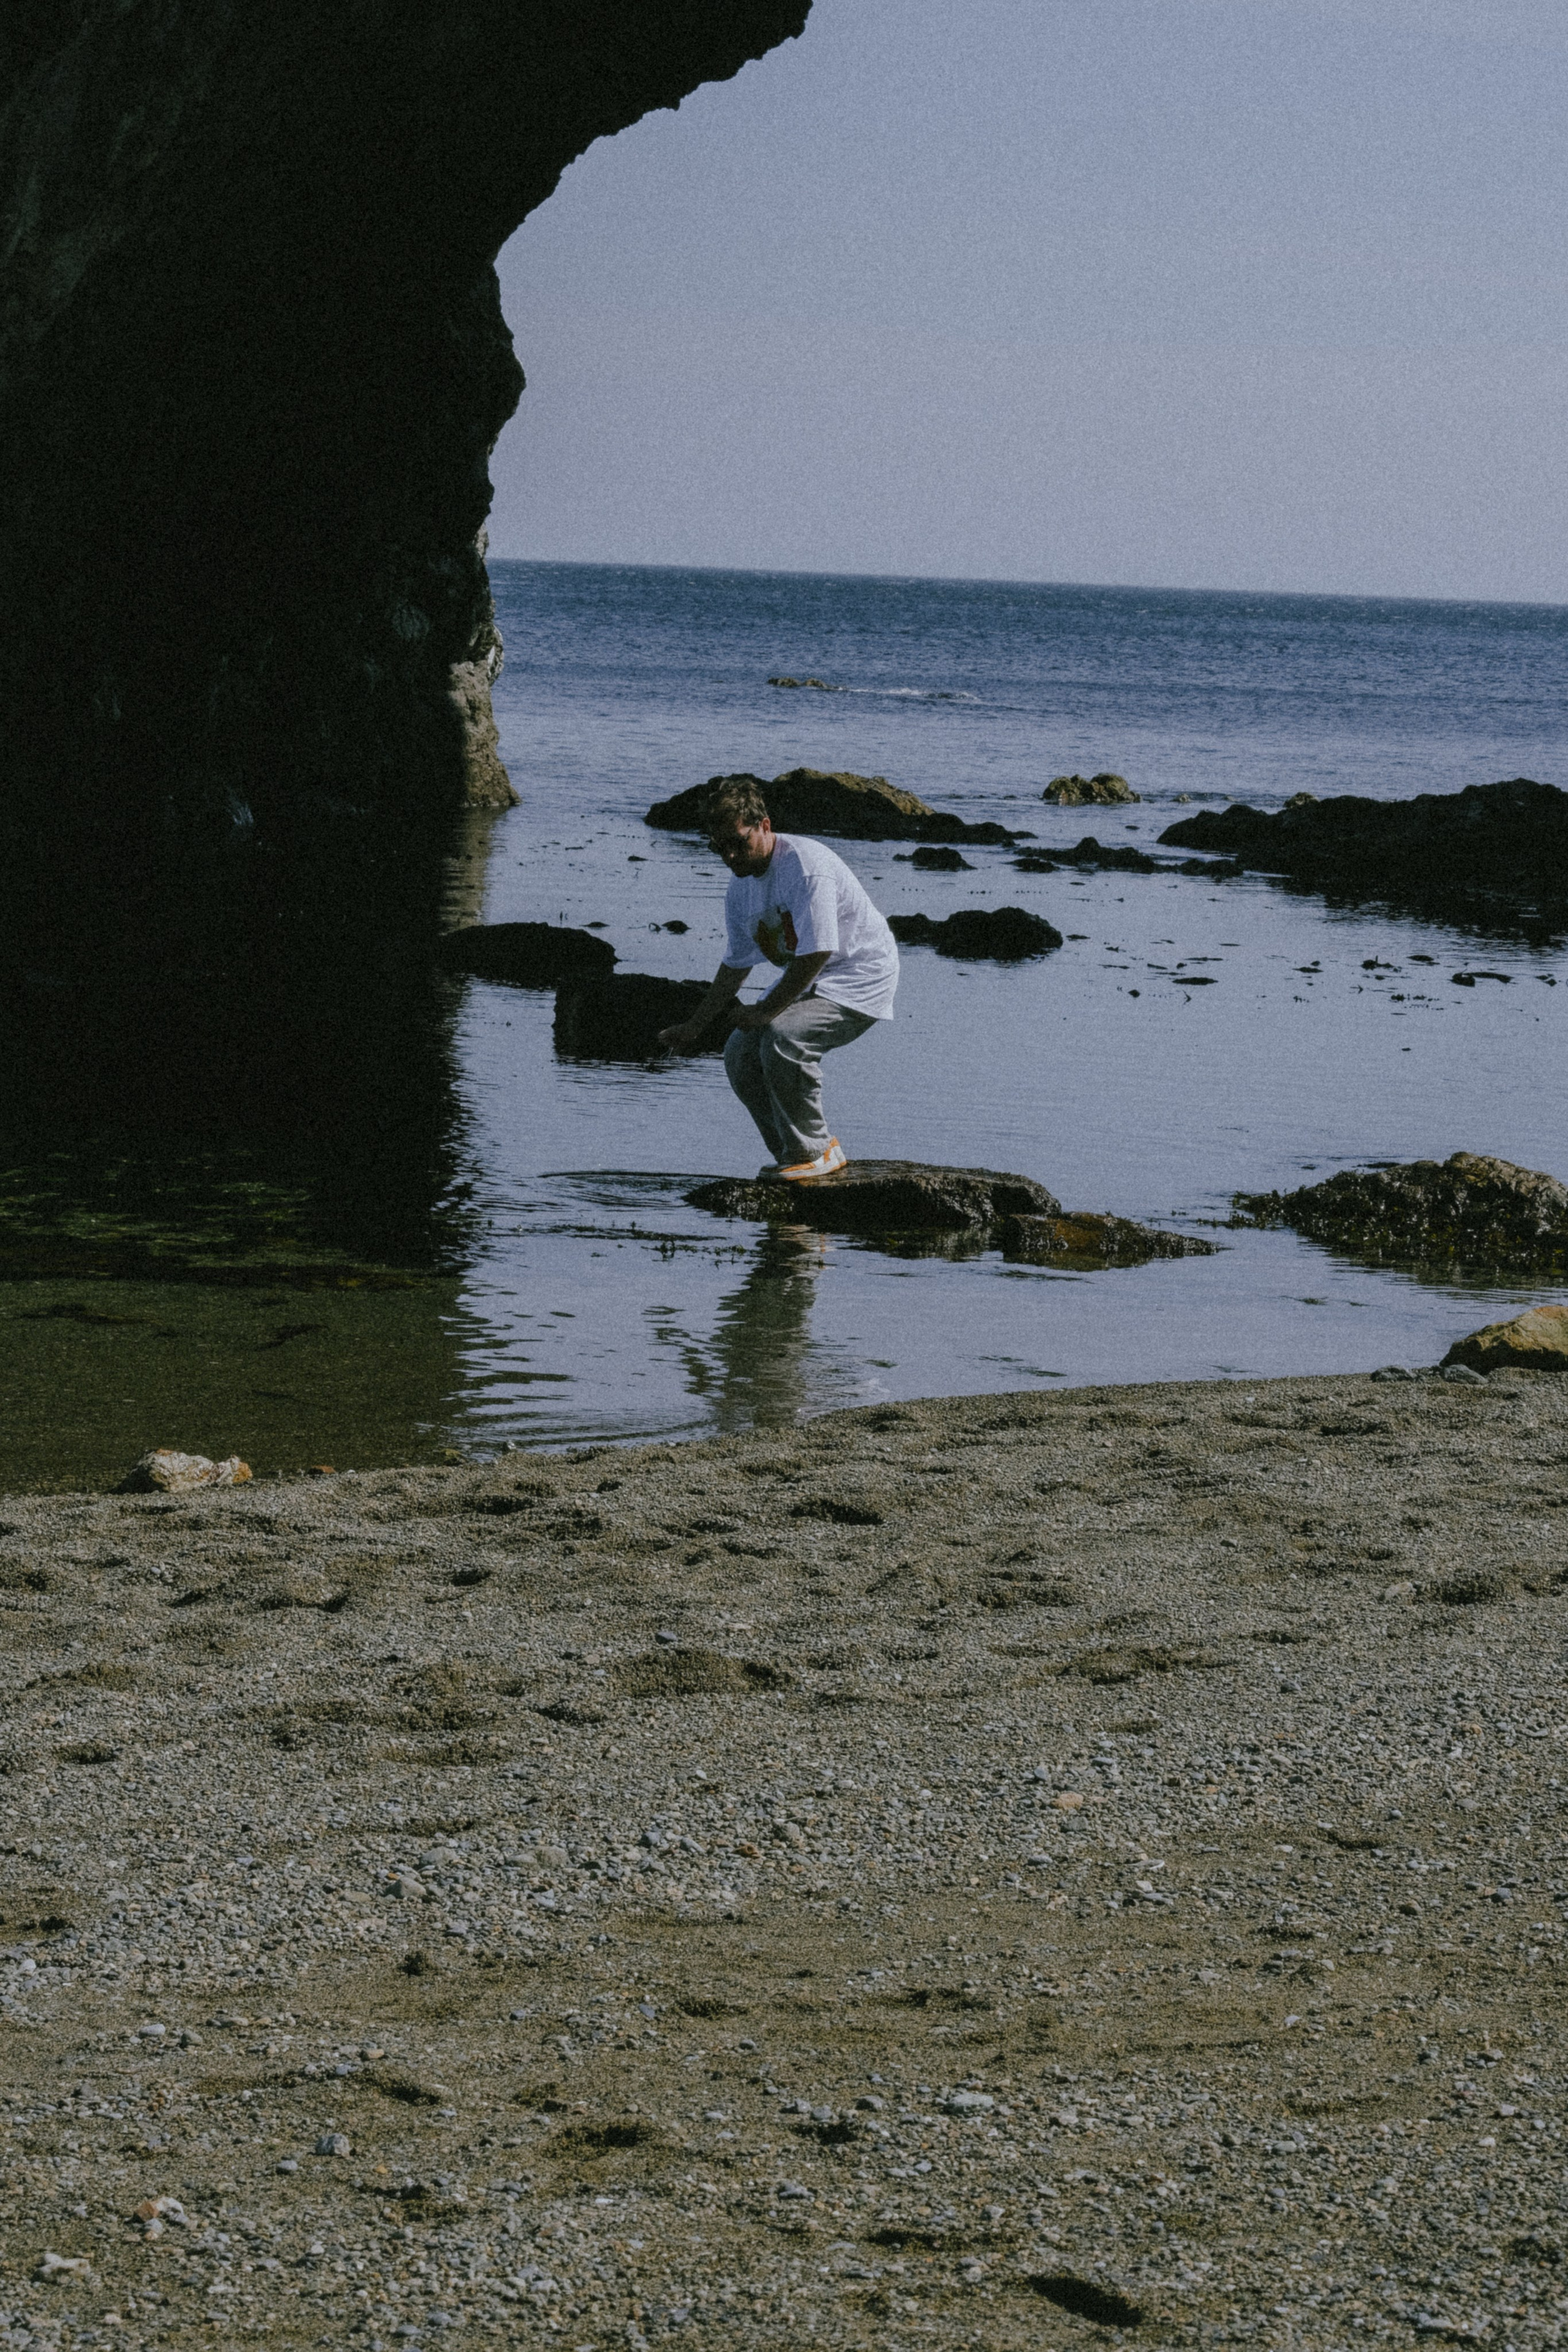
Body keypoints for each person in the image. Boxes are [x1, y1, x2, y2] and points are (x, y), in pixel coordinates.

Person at [657, 777, 899, 1178]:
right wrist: (695, 1027)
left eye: (739, 842)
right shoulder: (741, 889)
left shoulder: (804, 868)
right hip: (815, 976)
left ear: (765, 825)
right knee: (740, 1053)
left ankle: (817, 1151)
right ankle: (794, 1156)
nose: (731, 856)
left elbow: (818, 950)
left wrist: (767, 1010)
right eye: (720, 847)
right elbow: (736, 964)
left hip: (861, 974)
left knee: (785, 1037)